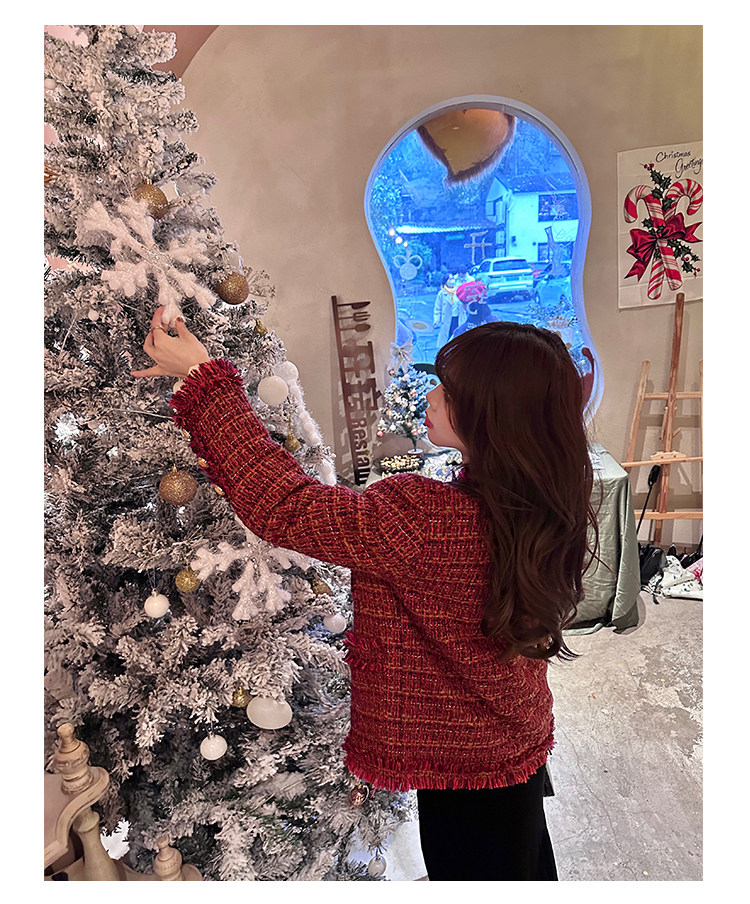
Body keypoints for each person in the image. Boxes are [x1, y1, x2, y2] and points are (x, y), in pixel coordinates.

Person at [132, 308, 598, 881]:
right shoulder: (539, 499)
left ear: (493, 416)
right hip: (511, 733)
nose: (431, 395)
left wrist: (203, 378)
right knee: (522, 861)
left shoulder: (425, 518)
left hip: (463, 761)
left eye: (450, 392)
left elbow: (287, 507)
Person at [432, 276, 466, 349]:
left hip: (458, 318)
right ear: (446, 281)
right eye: (450, 279)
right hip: (447, 319)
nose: (452, 280)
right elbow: (437, 307)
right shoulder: (442, 293)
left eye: (453, 278)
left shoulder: (459, 291)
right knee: (447, 338)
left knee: (459, 337)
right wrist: (436, 319)